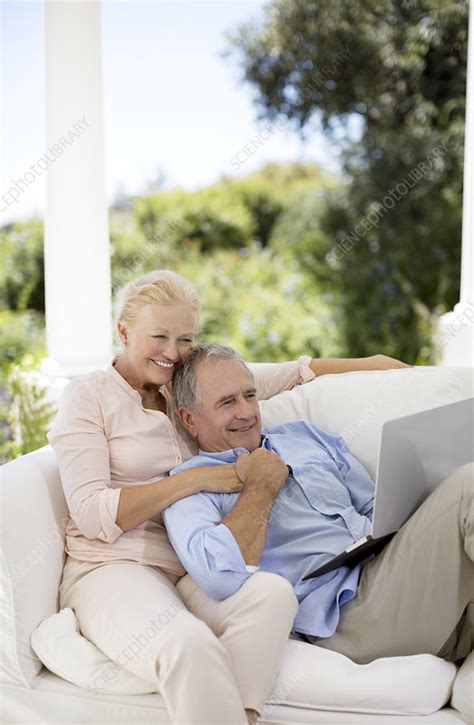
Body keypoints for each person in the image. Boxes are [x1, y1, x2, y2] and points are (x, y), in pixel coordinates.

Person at [48, 269, 411, 724]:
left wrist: (379, 363)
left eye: (184, 339)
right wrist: (190, 481)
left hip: (189, 565)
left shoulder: (184, 386)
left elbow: (293, 373)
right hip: (114, 566)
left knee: (274, 594)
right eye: (158, 336)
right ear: (123, 331)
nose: (172, 353)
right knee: (187, 643)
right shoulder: (88, 397)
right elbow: (89, 512)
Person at [163, 343, 473, 676]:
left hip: (398, 581)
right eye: (227, 402)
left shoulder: (303, 437)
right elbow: (220, 577)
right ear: (190, 419)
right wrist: (261, 486)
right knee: (469, 486)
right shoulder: (190, 487)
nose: (247, 412)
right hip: (349, 614)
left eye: (250, 396)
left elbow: (374, 508)